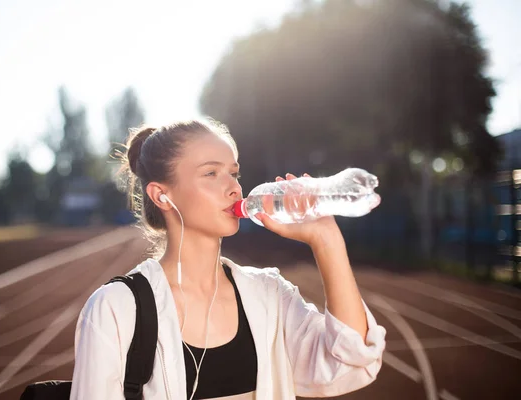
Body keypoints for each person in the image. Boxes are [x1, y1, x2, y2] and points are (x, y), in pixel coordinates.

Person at [70, 118, 386, 400]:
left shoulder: (269, 295)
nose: (234, 187)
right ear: (161, 195)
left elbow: (349, 362)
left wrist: (324, 237)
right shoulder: (116, 308)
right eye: (211, 173)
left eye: (234, 173)